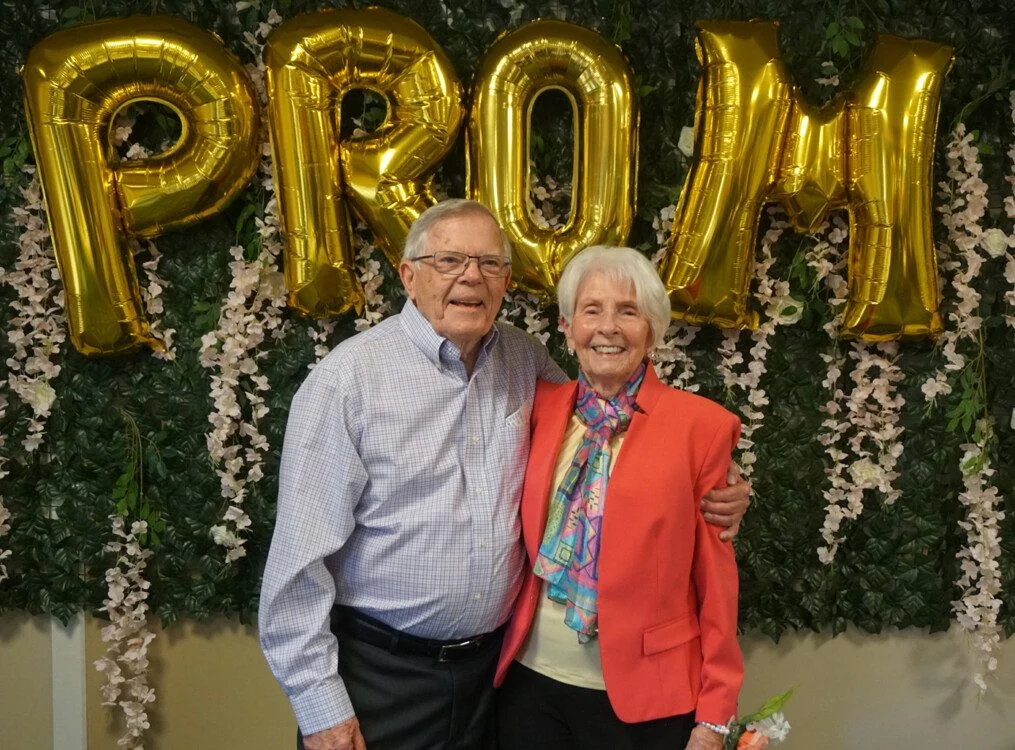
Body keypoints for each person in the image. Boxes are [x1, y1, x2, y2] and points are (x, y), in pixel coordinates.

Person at [258, 200, 750, 750]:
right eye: (449, 260)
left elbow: (613, 435)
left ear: (507, 281)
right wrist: (318, 704)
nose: (471, 275)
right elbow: (297, 565)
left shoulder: (526, 363)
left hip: (491, 680)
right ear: (408, 275)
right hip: (380, 677)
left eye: (489, 264)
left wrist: (725, 494)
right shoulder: (346, 382)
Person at [495, 245, 743, 750]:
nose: (607, 327)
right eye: (592, 310)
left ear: (651, 329)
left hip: (644, 699)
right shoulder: (538, 408)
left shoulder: (703, 428)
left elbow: (716, 587)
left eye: (627, 311)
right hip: (529, 685)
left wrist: (714, 718)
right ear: (567, 327)